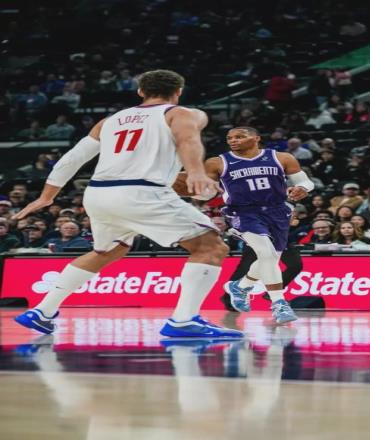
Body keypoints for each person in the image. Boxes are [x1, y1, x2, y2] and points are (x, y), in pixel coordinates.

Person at [13, 69, 242, 339]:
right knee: (211, 246)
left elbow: (72, 158)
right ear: (178, 92)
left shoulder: (109, 121)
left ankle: (43, 311)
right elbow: (187, 140)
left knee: (107, 251)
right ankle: (184, 320)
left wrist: (47, 196)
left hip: (98, 194)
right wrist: (195, 172)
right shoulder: (180, 113)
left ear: (141, 92)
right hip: (141, 192)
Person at [204, 127, 314, 323]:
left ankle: (241, 286)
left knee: (271, 257)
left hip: (277, 211)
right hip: (243, 211)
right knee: (266, 254)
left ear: (256, 138)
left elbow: (306, 182)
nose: (233, 140)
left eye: (240, 137)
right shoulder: (217, 162)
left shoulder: (281, 157)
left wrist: (302, 188)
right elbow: (203, 192)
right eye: (230, 138)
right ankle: (279, 303)